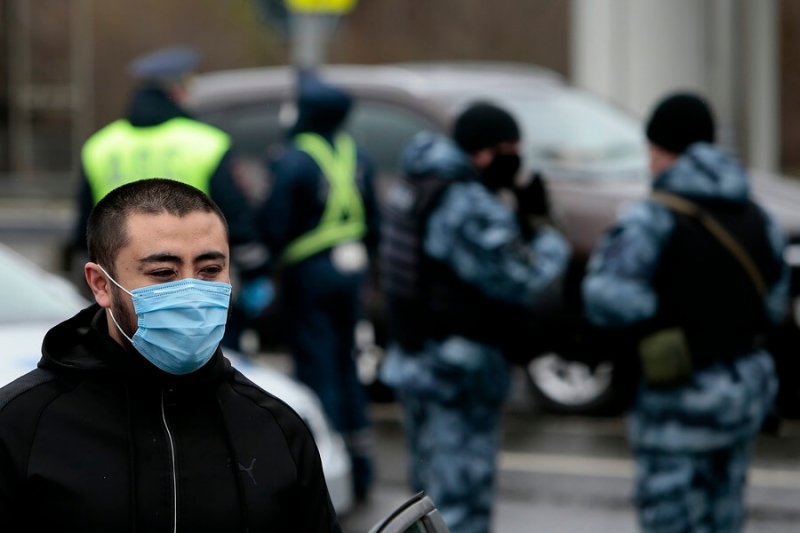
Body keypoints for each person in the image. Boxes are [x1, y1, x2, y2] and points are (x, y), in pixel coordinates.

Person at [0, 178, 341, 531]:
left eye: (210, 270)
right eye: (164, 273)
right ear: (101, 284)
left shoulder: (275, 427)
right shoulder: (20, 425)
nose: (191, 292)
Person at [582, 93, 789, 532]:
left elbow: (603, 297)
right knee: (725, 516)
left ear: (663, 150)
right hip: (741, 397)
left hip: (676, 403)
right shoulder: (759, 217)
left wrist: (668, 306)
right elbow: (774, 304)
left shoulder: (652, 220)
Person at [379, 102, 571, 533]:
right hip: (457, 373)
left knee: (423, 506)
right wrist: (545, 230)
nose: (516, 162)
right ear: (485, 152)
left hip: (416, 361)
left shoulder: (414, 185)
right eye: (511, 151)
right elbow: (526, 280)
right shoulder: (464, 202)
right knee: (458, 507)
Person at [72, 45, 271, 351]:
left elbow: (83, 226)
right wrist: (256, 271)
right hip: (195, 278)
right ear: (176, 92)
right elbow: (236, 215)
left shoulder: (100, 145)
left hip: (126, 284)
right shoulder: (207, 142)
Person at [255, 70, 381, 501]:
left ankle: (327, 472)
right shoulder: (356, 154)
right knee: (347, 365)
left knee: (316, 366)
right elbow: (375, 219)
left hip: (309, 274)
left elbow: (275, 223)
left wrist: (263, 262)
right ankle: (361, 468)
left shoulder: (293, 158)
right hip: (352, 271)